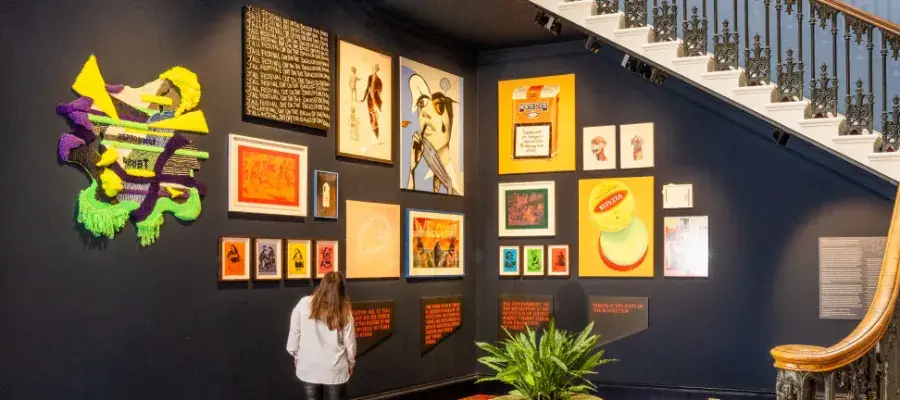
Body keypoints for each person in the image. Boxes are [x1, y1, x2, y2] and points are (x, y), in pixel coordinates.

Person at [286, 271, 357, 400]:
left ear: (322, 285)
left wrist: (295, 354)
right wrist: (351, 363)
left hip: (309, 366)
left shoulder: (304, 304)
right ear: (341, 290)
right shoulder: (345, 310)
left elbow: (294, 334)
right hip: (335, 368)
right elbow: (350, 344)